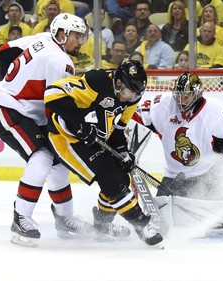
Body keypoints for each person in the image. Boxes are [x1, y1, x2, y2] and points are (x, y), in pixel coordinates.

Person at [0, 13, 94, 247]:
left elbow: (4, 50)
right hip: (8, 108)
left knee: (57, 161)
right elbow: (56, 105)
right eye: (77, 36)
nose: (80, 42)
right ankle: (21, 218)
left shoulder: (43, 38)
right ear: (62, 34)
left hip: (19, 107)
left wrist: (11, 80)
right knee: (43, 156)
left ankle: (64, 218)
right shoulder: (61, 62)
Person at [44, 60, 163, 246]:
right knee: (110, 177)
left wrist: (124, 153)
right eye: (128, 92)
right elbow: (51, 94)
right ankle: (141, 224)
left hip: (94, 139)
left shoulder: (132, 98)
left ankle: (102, 225)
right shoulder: (97, 81)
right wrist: (80, 122)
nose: (129, 99)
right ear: (118, 83)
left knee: (121, 176)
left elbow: (117, 130)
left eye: (135, 95)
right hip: (65, 138)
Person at [132, 71, 223, 200]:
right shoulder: (163, 104)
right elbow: (133, 117)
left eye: (186, 96)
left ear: (197, 94)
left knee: (204, 216)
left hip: (207, 175)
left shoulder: (215, 111)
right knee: (162, 215)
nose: (181, 101)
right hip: (173, 175)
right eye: (178, 95)